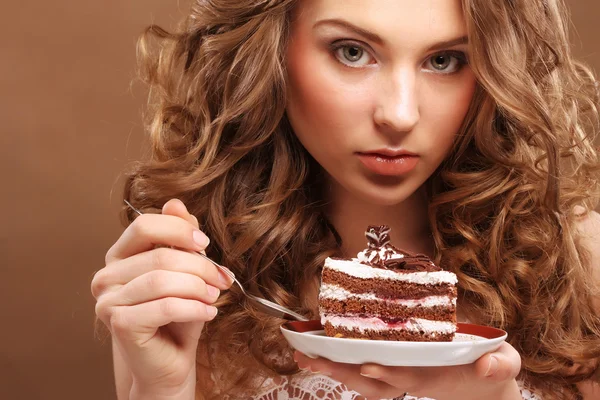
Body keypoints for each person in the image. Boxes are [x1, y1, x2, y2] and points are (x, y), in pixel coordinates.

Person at [91, 0, 600, 399]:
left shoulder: (580, 265)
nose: (399, 115)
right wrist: (160, 391)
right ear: (269, 50)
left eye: (444, 60)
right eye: (352, 51)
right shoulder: (188, 291)